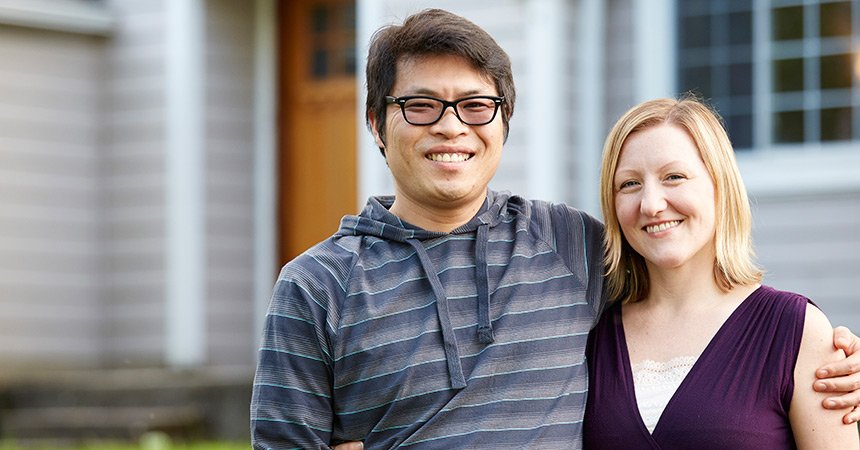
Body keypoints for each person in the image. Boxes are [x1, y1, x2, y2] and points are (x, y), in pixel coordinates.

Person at [250, 9, 860, 450]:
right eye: (420, 105)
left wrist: (828, 354)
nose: (450, 126)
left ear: (502, 123)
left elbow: (693, 293)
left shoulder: (569, 244)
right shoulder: (315, 286)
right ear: (378, 124)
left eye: (475, 105)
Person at [583, 97, 860, 449]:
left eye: (674, 177)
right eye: (629, 184)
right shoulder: (589, 335)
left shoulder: (797, 330)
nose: (651, 204)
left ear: (719, 185)